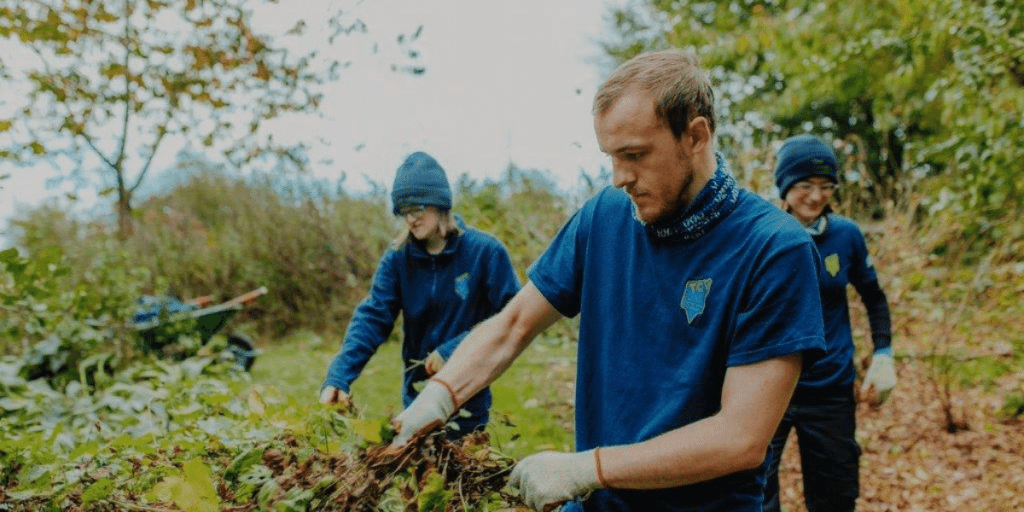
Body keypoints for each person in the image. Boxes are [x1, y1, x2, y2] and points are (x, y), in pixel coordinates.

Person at [389, 49, 827, 512]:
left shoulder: (774, 250)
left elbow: (740, 437)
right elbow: (513, 323)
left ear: (695, 136)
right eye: (611, 157)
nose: (619, 177)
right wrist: (438, 399)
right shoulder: (605, 217)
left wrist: (585, 469)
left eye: (634, 155)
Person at [319, 151, 520, 437]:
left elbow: (511, 317)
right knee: (421, 474)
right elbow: (373, 318)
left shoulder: (485, 252)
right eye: (403, 211)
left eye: (417, 209)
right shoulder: (398, 258)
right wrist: (339, 376)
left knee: (464, 473)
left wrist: (452, 351)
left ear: (439, 204)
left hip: (467, 396)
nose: (410, 219)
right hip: (417, 393)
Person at [763, 134, 896, 512]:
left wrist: (883, 353)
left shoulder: (846, 235)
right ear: (785, 187)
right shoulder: (763, 236)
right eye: (805, 185)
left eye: (826, 186)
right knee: (753, 493)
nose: (815, 196)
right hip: (768, 388)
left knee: (836, 498)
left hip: (830, 388)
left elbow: (874, 296)